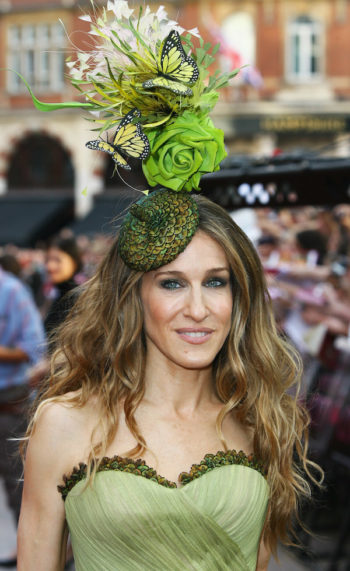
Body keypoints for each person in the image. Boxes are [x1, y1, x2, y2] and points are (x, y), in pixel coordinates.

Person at [17, 3, 321, 569]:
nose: (199, 309)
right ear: (133, 296)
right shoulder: (66, 423)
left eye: (217, 282)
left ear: (240, 296)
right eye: (173, 283)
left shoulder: (260, 419)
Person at [0, 266, 45, 567]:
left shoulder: (12, 291)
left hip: (9, 400)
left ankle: (31, 553)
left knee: (19, 482)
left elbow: (34, 347)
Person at [44, 236, 83, 342]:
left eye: (57, 260)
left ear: (74, 261)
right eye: (48, 259)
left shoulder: (78, 300)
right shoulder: (56, 295)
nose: (50, 266)